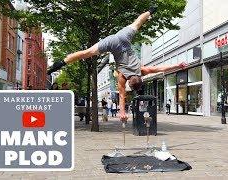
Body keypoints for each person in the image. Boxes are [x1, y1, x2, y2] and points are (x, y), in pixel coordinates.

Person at [47, 8, 187, 122]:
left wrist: (178, 65)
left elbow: (161, 68)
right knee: (88, 52)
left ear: (140, 78)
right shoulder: (123, 77)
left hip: (123, 37)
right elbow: (121, 96)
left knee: (138, 22)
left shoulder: (142, 70)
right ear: (129, 84)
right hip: (112, 43)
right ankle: (61, 63)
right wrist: (122, 113)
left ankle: (151, 11)